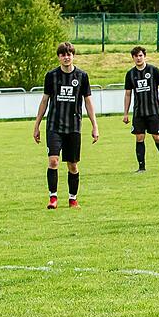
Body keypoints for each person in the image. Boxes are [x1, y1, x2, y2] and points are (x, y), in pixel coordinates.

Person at [33, 42, 99, 209]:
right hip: (54, 126)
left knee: (72, 165)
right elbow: (44, 100)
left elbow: (88, 101)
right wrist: (37, 125)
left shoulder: (82, 76)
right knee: (53, 161)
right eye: (63, 54)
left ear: (73, 56)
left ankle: (72, 199)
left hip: (74, 127)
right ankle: (53, 198)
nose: (66, 57)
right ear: (59, 57)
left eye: (69, 54)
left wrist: (94, 125)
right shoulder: (51, 76)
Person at [123, 46, 159, 172]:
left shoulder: (154, 70)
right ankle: (141, 167)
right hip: (139, 112)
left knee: (157, 137)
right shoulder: (130, 74)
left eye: (140, 55)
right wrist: (126, 113)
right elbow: (128, 94)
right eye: (136, 56)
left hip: (153, 111)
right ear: (133, 58)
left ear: (144, 56)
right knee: (139, 137)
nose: (138, 58)